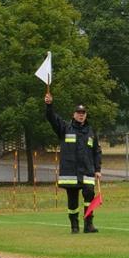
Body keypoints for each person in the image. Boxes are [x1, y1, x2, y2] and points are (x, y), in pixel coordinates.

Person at [43, 91, 102, 234]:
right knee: (73, 201)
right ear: (74, 115)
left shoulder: (91, 132)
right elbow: (52, 118)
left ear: (86, 115)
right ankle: (74, 226)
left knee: (89, 195)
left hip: (87, 172)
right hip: (71, 172)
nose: (81, 115)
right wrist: (49, 105)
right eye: (78, 112)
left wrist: (98, 169)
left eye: (83, 113)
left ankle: (89, 224)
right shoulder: (65, 128)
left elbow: (97, 151)